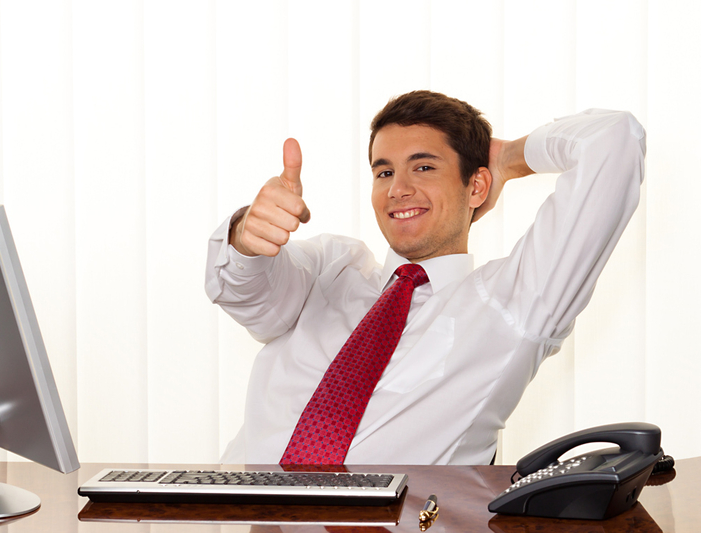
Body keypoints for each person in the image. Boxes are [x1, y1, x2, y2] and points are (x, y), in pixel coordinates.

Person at [205, 91, 645, 465]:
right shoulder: (331, 266)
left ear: (476, 187)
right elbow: (244, 290)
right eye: (384, 172)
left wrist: (509, 158)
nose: (398, 189)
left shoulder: (514, 303)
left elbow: (614, 139)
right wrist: (247, 236)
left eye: (424, 167)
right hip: (232, 513)